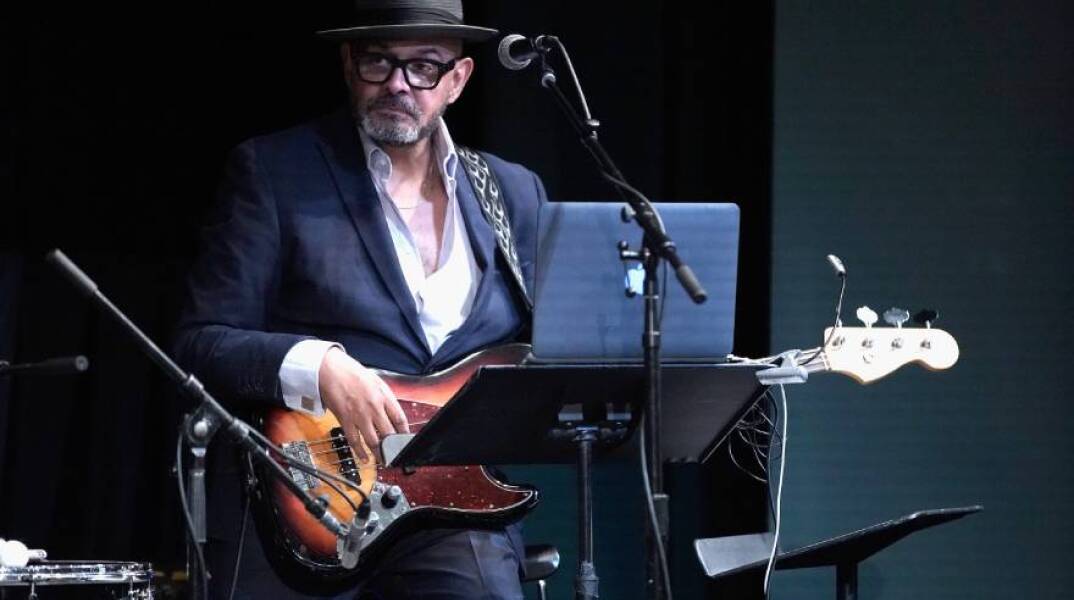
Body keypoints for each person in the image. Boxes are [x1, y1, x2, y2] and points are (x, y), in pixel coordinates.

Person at [173, 1, 547, 598]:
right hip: (301, 502)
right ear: (349, 65)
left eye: (424, 66)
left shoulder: (513, 192)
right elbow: (201, 341)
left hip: (452, 508)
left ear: (458, 79)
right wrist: (317, 367)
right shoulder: (274, 171)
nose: (399, 83)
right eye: (379, 62)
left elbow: (544, 348)